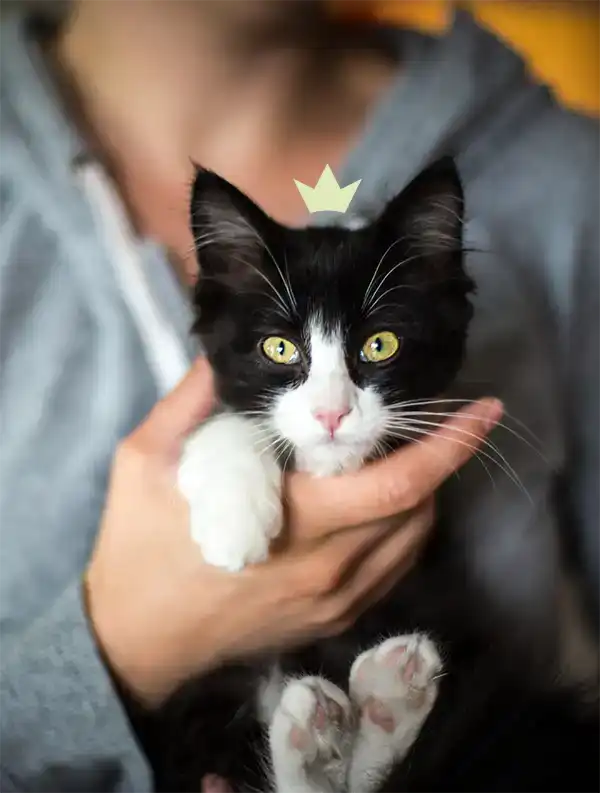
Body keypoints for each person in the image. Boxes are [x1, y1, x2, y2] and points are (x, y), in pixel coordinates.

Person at [0, 1, 598, 791]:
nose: (331, 408)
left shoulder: (563, 179)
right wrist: (121, 646)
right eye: (284, 352)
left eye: (376, 349)